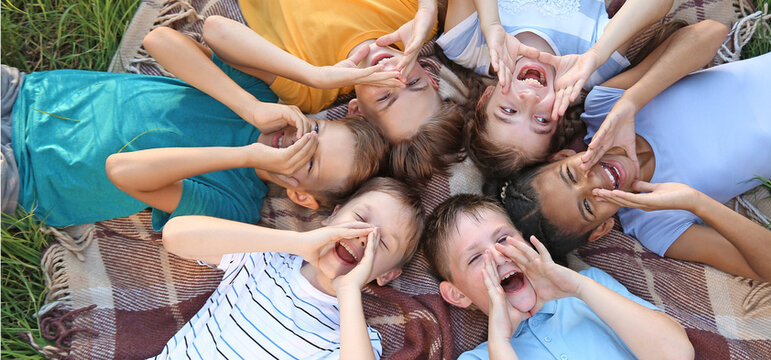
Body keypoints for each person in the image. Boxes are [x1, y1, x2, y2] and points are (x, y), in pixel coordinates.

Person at [492, 0, 771, 282]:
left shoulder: (605, 105)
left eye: (572, 174)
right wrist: (694, 202)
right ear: (602, 228)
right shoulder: (657, 223)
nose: (595, 182)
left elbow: (710, 33)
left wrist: (633, 102)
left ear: (566, 154)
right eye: (589, 205)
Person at [0, 57, 387, 229]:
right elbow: (162, 40)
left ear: (302, 196)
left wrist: (246, 155)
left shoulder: (234, 207)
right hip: (29, 94)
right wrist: (250, 108)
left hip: (28, 174)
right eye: (314, 134)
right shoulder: (258, 101)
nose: (297, 141)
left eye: (308, 161)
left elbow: (122, 171)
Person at [182, 0, 467, 183]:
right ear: (430, 77)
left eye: (385, 96)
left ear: (356, 110)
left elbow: (215, 30)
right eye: (413, 83)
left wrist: (314, 75)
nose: (394, 75)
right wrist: (428, 9)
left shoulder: (311, 91)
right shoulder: (416, 23)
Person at [438, 0, 727, 177]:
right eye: (541, 120)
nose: (530, 98)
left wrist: (491, 26)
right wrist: (598, 53)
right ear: (561, 116)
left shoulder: (470, 48)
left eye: (509, 110)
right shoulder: (589, 69)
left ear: (484, 99)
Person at [153, 177, 425, 359]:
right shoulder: (264, 257)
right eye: (360, 219)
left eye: (382, 242)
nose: (364, 237)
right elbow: (175, 235)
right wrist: (298, 242)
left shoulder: (352, 337)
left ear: (386, 275)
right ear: (332, 216)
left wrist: (349, 290)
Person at [423, 194, 693, 359]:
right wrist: (501, 342)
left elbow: (677, 354)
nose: (497, 256)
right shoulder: (483, 357)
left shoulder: (591, 288)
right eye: (474, 258)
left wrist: (579, 287)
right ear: (457, 294)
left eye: (503, 239)